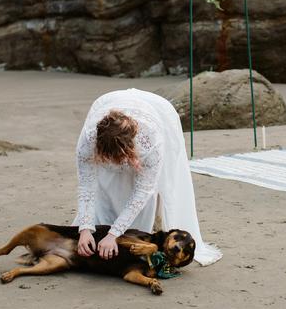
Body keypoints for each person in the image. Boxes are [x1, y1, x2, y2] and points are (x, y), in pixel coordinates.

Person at [71, 87, 222, 266]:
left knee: (155, 185)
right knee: (107, 180)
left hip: (159, 113)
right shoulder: (88, 140)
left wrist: (113, 234)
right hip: (108, 102)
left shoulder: (151, 143)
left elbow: (143, 191)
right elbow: (87, 185)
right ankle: (103, 221)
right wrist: (85, 228)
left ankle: (138, 226)